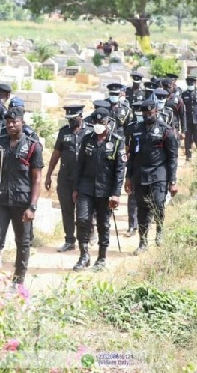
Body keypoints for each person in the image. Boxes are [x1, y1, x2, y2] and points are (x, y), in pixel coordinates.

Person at [0, 106, 43, 284]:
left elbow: (37, 178)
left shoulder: (33, 145)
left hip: (22, 202)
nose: (10, 125)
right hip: (0, 200)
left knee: (23, 242)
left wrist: (32, 206)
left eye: (14, 122)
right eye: (8, 122)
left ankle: (18, 282)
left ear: (22, 122)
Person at [72, 107, 126, 272]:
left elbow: (120, 170)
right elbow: (79, 165)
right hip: (86, 187)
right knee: (82, 220)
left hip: (105, 190)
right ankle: (84, 255)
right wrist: (75, 188)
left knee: (103, 224)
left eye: (101, 122)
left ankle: (101, 257)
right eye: (95, 122)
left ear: (108, 122)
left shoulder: (117, 142)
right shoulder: (87, 139)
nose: (98, 125)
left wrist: (116, 194)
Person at [125, 101, 178, 255]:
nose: (148, 115)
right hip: (140, 175)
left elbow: (172, 157)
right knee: (142, 209)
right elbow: (132, 156)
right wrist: (128, 177)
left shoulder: (166, 131)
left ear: (156, 111)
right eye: (145, 113)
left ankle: (160, 232)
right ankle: (143, 242)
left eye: (151, 112)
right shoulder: (135, 130)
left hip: (159, 173)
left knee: (158, 204)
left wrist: (172, 181)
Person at [45, 105, 92, 252]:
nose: (71, 122)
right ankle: (69, 239)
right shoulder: (64, 132)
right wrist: (48, 174)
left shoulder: (89, 132)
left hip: (84, 178)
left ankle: (86, 237)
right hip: (66, 177)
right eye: (69, 120)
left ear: (80, 117)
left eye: (73, 119)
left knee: (84, 210)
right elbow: (56, 154)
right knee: (67, 209)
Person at [123, 101, 144, 237]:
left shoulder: (151, 126)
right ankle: (132, 225)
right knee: (132, 197)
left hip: (149, 166)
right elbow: (127, 147)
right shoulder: (131, 127)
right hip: (134, 164)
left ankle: (144, 225)